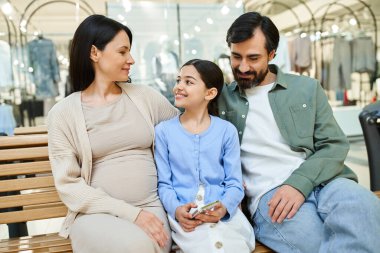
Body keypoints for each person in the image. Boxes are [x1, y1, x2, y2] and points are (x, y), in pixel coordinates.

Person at [218, 11, 380, 252]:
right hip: (269, 195)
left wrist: (298, 184)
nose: (242, 67)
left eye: (253, 58)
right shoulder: (218, 98)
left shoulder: (306, 88)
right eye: (235, 56)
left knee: (366, 209)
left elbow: (334, 144)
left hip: (327, 181)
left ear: (272, 55)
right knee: (317, 243)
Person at [47, 15, 178, 253]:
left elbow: (184, 133)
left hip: (151, 207)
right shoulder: (63, 113)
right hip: (96, 214)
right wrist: (131, 213)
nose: (131, 60)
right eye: (122, 52)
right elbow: (69, 186)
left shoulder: (145, 97)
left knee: (146, 246)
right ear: (95, 53)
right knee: (136, 247)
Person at [154, 59, 255, 253]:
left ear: (210, 93)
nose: (178, 87)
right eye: (178, 80)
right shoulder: (163, 132)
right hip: (186, 220)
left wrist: (224, 207)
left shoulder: (227, 131)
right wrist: (176, 209)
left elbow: (235, 183)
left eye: (188, 82)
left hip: (225, 216)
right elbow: (164, 185)